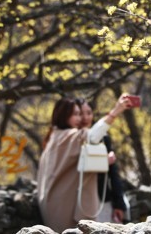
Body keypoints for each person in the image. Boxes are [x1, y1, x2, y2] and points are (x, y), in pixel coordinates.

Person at [37, 95, 132, 233]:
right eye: (75, 114)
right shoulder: (67, 136)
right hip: (63, 205)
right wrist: (115, 111)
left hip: (55, 204)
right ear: (64, 115)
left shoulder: (56, 136)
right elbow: (92, 136)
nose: (80, 118)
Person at [77, 98, 128, 224]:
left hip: (102, 198)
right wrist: (103, 162)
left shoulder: (103, 139)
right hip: (79, 201)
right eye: (80, 114)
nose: (85, 118)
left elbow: (113, 174)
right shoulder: (72, 139)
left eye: (89, 113)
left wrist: (119, 204)